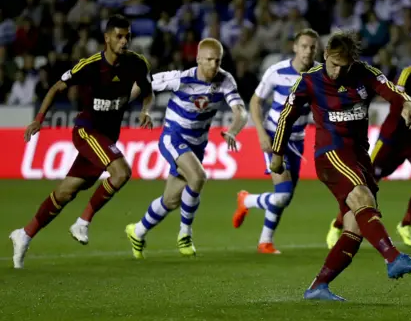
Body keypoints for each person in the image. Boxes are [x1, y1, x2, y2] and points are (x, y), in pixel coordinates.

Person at [270, 31, 411, 301]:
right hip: (330, 153)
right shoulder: (310, 81)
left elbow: (390, 89)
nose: (337, 71)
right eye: (333, 64)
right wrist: (277, 153)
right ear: (325, 56)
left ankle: (317, 287)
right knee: (362, 196)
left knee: (354, 227)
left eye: (343, 66)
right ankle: (394, 258)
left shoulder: (364, 73)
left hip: (358, 156)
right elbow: (287, 115)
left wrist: (406, 101)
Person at [9, 15, 155, 269]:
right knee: (121, 173)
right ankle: (83, 222)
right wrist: (39, 119)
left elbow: (148, 90)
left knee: (66, 192)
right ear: (107, 38)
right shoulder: (90, 65)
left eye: (127, 37)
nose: (124, 41)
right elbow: (57, 87)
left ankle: (24, 233)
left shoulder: (136, 63)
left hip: (106, 139)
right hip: (86, 131)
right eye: (119, 36)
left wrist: (146, 110)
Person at [326, 38, 411, 248]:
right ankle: (337, 225)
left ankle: (406, 224)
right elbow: (398, 104)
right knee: (365, 186)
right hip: (392, 138)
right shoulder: (408, 75)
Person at [125, 38, 248, 259]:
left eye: (217, 61)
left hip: (197, 145)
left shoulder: (225, 80)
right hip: (173, 137)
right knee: (198, 176)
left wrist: (233, 130)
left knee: (171, 200)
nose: (213, 65)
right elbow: (144, 83)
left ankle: (138, 231)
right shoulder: (180, 78)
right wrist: (127, 107)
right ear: (198, 59)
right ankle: (185, 234)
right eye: (209, 60)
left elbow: (241, 111)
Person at [232, 29, 319, 254]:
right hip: (274, 137)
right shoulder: (277, 71)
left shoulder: (319, 74)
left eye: (312, 47)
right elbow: (255, 102)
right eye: (304, 46)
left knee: (285, 197)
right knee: (282, 194)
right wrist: (261, 133)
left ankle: (264, 241)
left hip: (298, 142)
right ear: (295, 47)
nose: (308, 50)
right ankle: (248, 201)